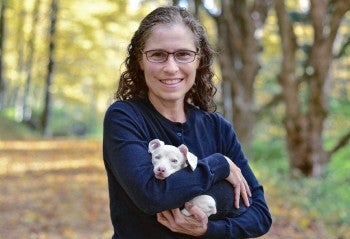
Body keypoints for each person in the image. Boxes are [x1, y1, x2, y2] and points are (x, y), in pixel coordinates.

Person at [103, 5, 272, 239]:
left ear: (198, 59)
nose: (171, 68)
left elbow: (260, 215)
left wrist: (209, 230)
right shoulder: (125, 117)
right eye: (158, 54)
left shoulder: (218, 128)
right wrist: (219, 165)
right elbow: (151, 196)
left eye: (183, 54)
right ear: (140, 60)